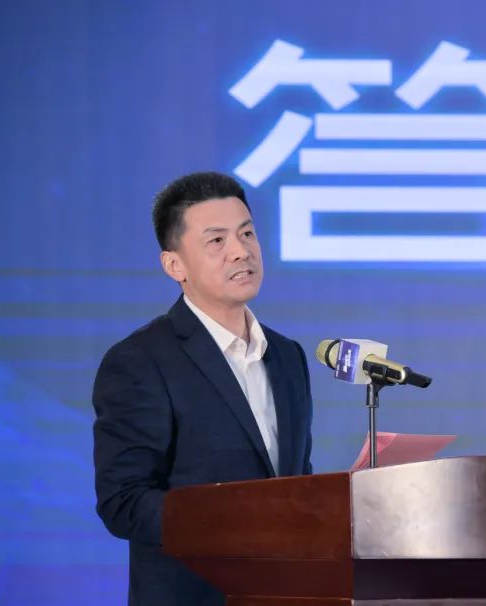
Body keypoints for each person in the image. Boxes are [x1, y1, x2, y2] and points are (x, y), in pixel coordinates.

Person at [91, 171, 314, 605]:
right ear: (174, 265)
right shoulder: (139, 361)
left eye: (247, 233)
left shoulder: (288, 356)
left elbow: (292, 479)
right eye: (216, 240)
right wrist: (238, 521)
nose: (241, 251)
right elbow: (124, 502)